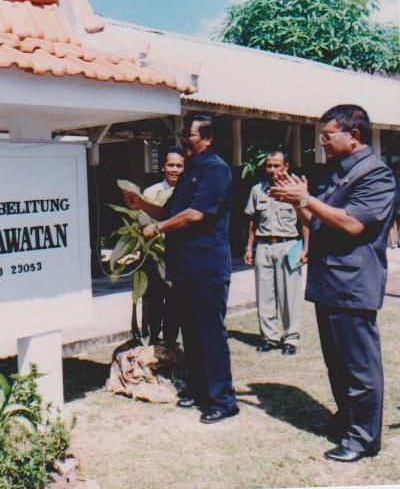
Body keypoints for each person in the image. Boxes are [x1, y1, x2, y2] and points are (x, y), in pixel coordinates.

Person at [269, 104, 395, 462]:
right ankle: (347, 421)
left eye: (327, 136)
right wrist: (297, 201)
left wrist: (307, 198)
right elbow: (317, 220)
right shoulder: (337, 172)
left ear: (353, 136)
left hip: (353, 284)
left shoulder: (376, 175)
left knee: (359, 367)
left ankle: (364, 438)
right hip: (330, 281)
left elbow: (354, 224)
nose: (321, 142)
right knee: (337, 363)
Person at [124, 113, 238, 424]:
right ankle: (201, 392)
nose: (184, 138)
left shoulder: (216, 170)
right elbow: (172, 211)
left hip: (207, 267)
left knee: (211, 335)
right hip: (185, 268)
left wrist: (159, 228)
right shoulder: (191, 172)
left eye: (190, 134)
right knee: (192, 333)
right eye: (184, 133)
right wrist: (141, 205)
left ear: (208, 138)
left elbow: (197, 214)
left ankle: (223, 400)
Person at [244, 150, 309, 355]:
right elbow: (252, 220)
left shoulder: (295, 190)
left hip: (289, 245)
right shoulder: (257, 190)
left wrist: (307, 248)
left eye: (276, 165)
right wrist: (249, 247)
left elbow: (306, 220)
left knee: (290, 294)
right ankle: (269, 337)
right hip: (264, 246)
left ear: (286, 167)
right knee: (264, 295)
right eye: (269, 165)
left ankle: (291, 338)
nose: (271, 169)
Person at [138, 148, 185, 347]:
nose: (175, 169)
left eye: (179, 165)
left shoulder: (188, 193)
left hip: (180, 255)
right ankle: (153, 339)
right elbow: (142, 222)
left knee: (176, 301)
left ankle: (171, 342)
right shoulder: (150, 192)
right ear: (163, 167)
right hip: (155, 255)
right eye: (171, 165)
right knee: (154, 299)